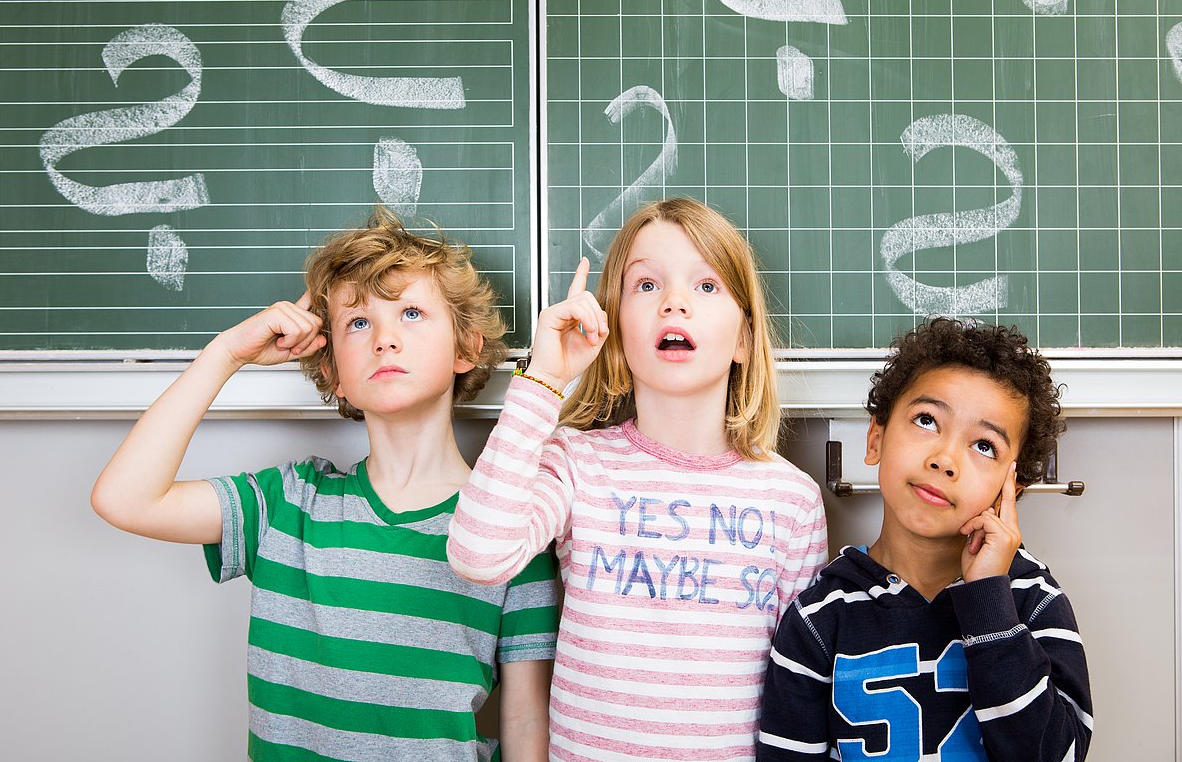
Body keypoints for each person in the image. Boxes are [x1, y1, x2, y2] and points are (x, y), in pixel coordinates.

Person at [91, 206, 560, 762]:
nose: (385, 339)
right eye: (358, 323)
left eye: (411, 313)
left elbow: (528, 716)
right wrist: (225, 355)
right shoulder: (288, 504)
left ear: (467, 349)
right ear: (334, 371)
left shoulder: (512, 530)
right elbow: (124, 498)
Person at [447, 197, 829, 761]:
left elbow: (801, 685)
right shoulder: (577, 463)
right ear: (617, 333)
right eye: (646, 286)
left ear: (745, 339)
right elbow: (478, 556)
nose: (675, 302)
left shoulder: (791, 500)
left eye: (706, 286)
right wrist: (546, 378)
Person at [757, 318, 1093, 762]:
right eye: (927, 420)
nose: (945, 459)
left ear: (1012, 489)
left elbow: (1057, 755)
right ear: (875, 438)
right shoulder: (819, 619)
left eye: (985, 445)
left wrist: (989, 603)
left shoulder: (1033, 601)